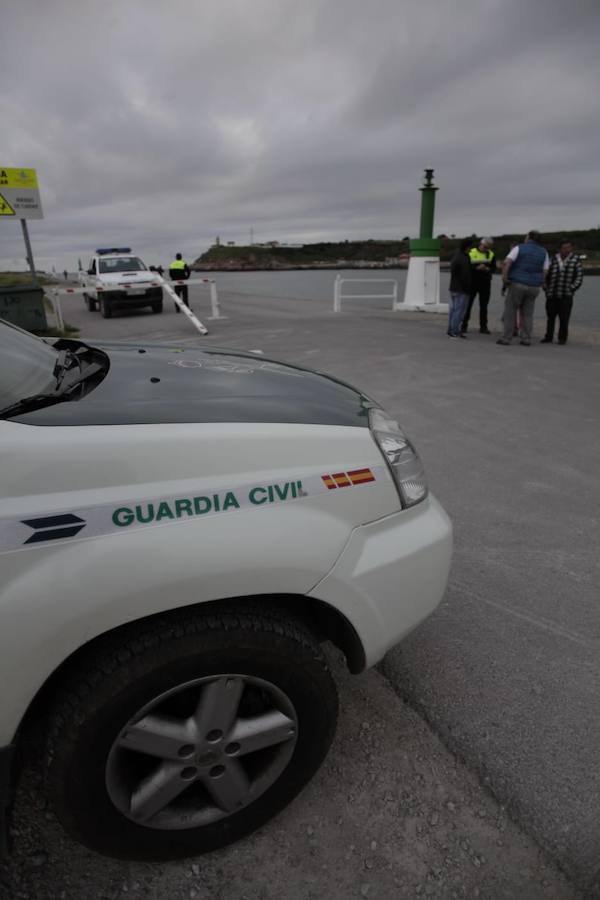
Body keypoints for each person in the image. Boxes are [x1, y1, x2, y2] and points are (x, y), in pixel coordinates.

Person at [497, 231, 549, 346]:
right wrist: (542, 282)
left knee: (510, 311)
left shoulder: (519, 248)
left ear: (529, 238)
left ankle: (506, 338)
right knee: (528, 314)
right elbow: (545, 270)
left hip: (517, 284)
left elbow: (507, 263)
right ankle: (526, 338)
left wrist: (504, 278)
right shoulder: (544, 252)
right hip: (534, 287)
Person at [541, 241, 583, 345]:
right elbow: (545, 273)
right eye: (564, 248)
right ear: (559, 249)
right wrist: (545, 287)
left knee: (564, 318)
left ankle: (562, 338)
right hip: (551, 294)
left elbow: (579, 277)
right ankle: (548, 337)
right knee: (550, 317)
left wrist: (571, 288)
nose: (567, 250)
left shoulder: (575, 259)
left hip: (566, 295)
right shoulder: (553, 259)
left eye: (569, 247)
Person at [461, 237, 496, 334]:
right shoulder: (471, 252)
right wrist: (476, 268)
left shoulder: (491, 254)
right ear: (481, 244)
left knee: (484, 306)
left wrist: (487, 269)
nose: (486, 249)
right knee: (468, 305)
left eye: (488, 248)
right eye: (485, 247)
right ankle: (464, 326)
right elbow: (466, 266)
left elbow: (494, 268)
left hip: (485, 283)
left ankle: (483, 327)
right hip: (472, 282)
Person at [448, 238, 472, 339]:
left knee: (454, 310)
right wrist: (468, 288)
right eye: (470, 247)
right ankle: (454, 331)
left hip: (453, 287)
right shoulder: (464, 258)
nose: (471, 249)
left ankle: (451, 329)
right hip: (462, 289)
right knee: (459, 311)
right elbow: (465, 275)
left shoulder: (456, 256)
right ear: (467, 247)